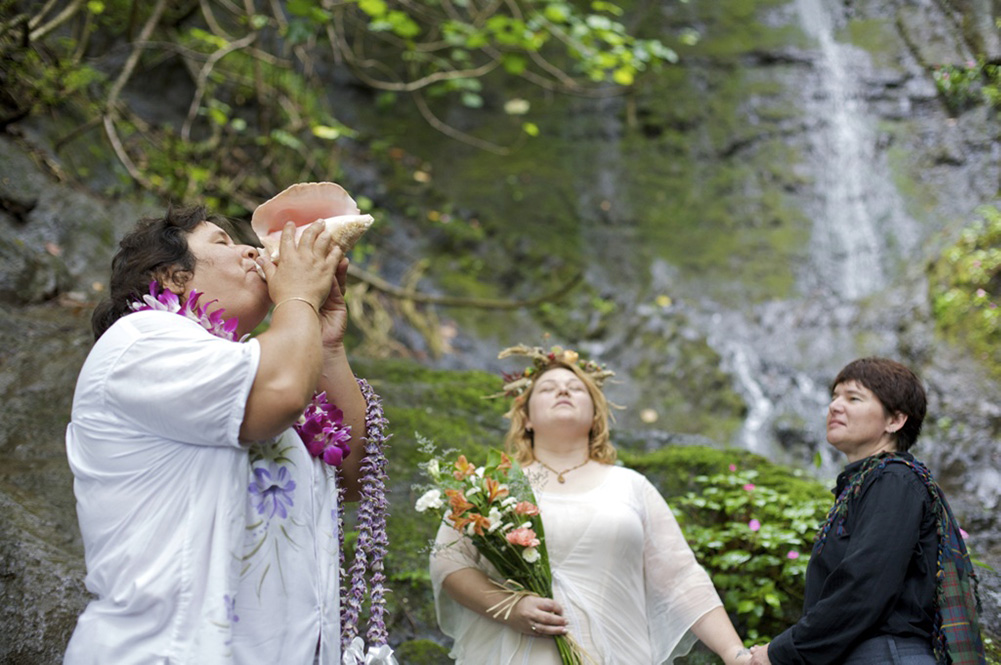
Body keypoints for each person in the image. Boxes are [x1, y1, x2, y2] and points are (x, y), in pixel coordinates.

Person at [64, 206, 372, 664]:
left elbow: (352, 478)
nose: (252, 249)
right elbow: (284, 392)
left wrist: (325, 343)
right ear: (173, 278)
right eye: (223, 244)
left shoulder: (255, 363)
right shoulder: (142, 339)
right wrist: (298, 299)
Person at [429, 344, 752, 665]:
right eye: (548, 389)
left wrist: (734, 653)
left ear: (596, 415)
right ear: (525, 417)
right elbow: (449, 562)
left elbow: (681, 578)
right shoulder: (490, 483)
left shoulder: (631, 485)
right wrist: (509, 608)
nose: (563, 392)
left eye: (575, 389)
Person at [749, 357, 986, 665]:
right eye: (834, 397)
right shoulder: (869, 483)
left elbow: (863, 587)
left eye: (853, 398)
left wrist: (779, 652)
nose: (835, 406)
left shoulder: (894, 479)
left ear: (895, 420)